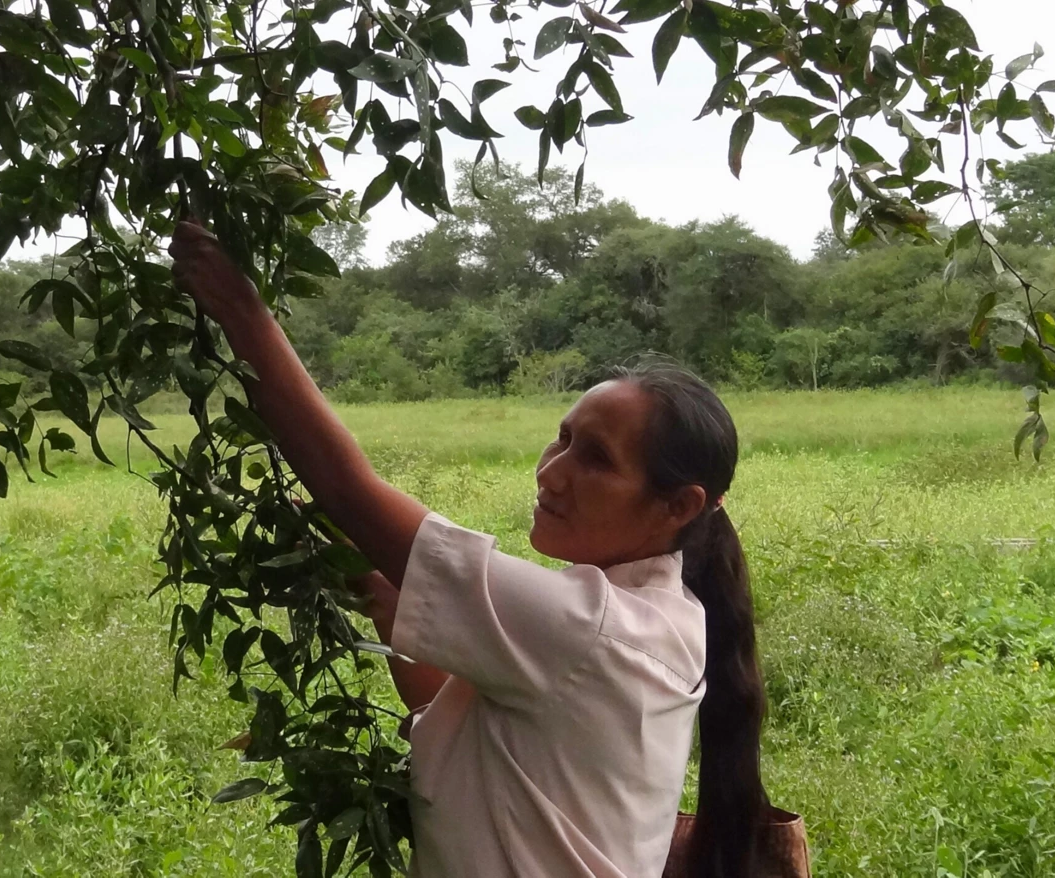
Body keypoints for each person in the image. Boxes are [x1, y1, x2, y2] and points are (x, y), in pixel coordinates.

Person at [171, 219, 769, 878]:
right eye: (562, 438)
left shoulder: (590, 628)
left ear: (678, 506)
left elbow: (348, 488)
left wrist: (240, 313)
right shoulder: (654, 618)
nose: (551, 472)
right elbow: (448, 716)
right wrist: (381, 591)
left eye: (595, 459)